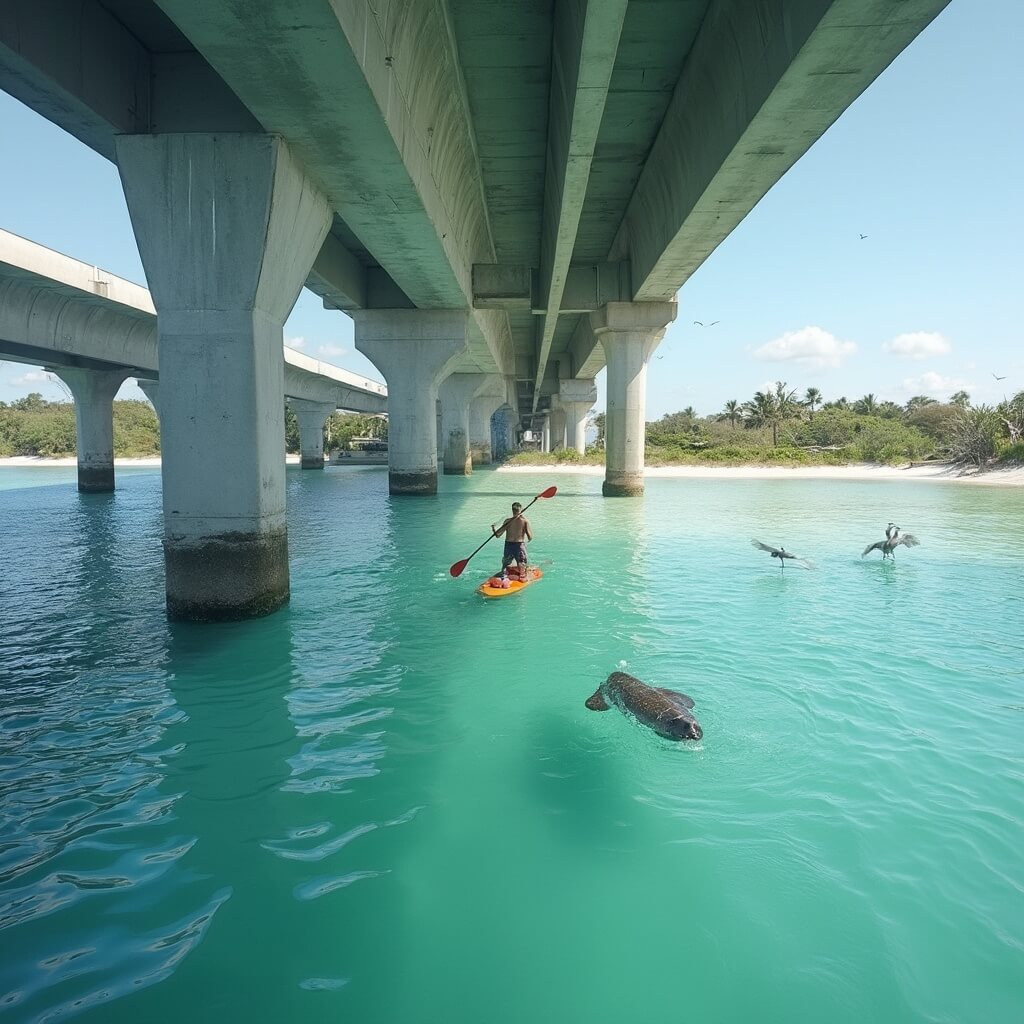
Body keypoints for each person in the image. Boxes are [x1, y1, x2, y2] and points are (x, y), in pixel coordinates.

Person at [492, 502, 533, 580]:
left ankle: (503, 576)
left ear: (512, 510)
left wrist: (493, 528)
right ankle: (522, 576)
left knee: (505, 564)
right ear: (521, 510)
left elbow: (498, 535)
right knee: (522, 564)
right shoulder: (524, 521)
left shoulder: (507, 521)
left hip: (508, 545)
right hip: (519, 545)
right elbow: (530, 537)